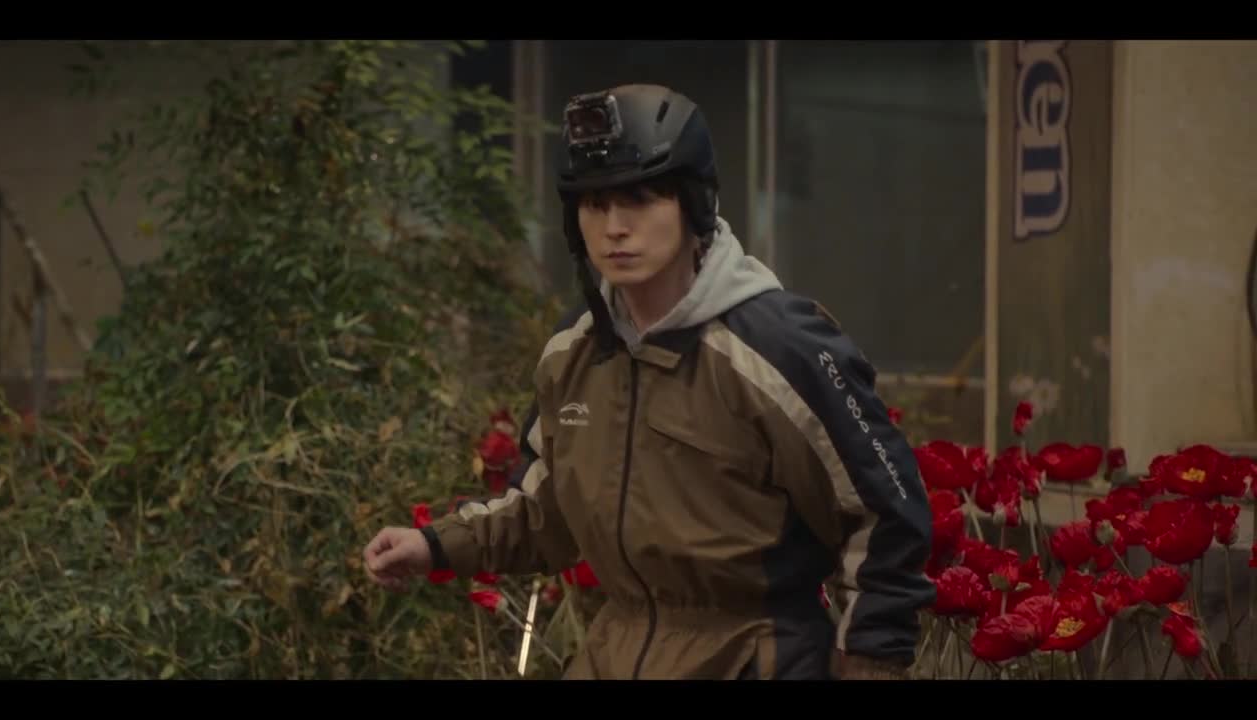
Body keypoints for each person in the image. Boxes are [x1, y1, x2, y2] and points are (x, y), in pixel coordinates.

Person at [363, 83, 935, 680]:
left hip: (754, 654)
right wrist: (432, 546)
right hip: (614, 651)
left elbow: (884, 514)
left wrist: (868, 658)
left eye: (639, 199)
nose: (615, 227)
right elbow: (542, 508)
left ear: (694, 204)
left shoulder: (779, 347)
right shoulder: (574, 351)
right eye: (594, 203)